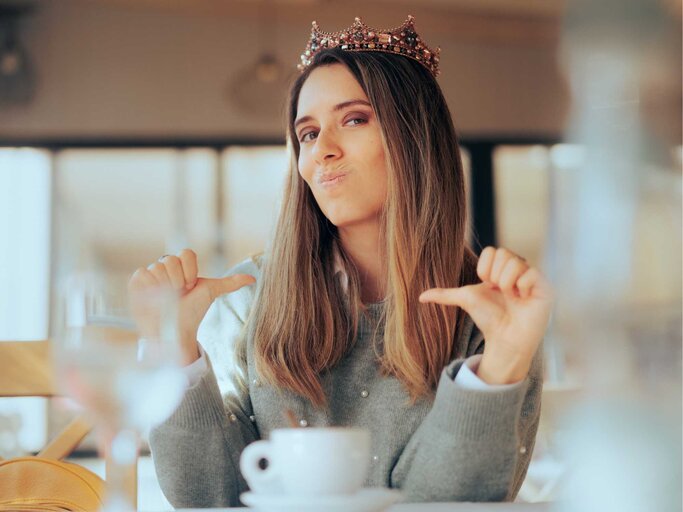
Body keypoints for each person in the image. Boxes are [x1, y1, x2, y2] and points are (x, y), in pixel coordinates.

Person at [132, 15, 554, 508]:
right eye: (307, 134)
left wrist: (500, 367)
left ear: (414, 137)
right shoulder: (246, 297)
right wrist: (174, 351)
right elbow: (209, 500)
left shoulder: (494, 314)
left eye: (354, 119)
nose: (322, 152)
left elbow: (449, 501)